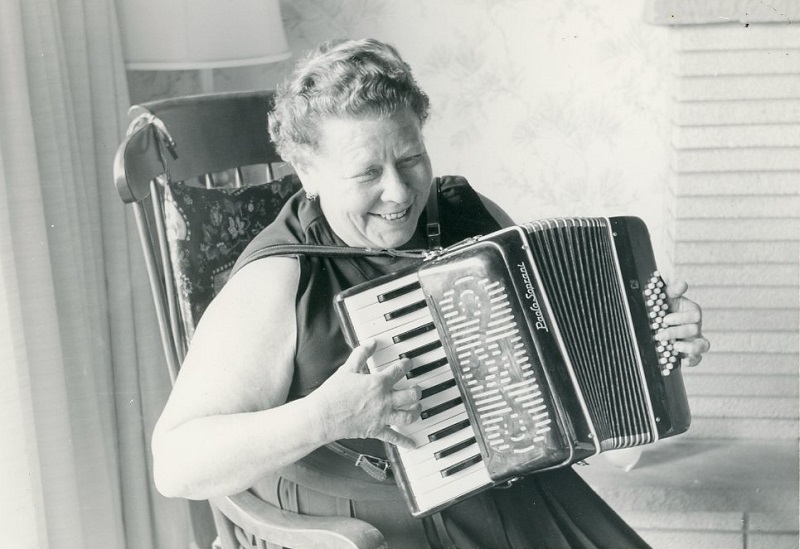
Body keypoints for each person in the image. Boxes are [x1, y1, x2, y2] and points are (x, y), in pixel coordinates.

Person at [152, 38, 710, 548]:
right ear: (307, 173)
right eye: (366, 172)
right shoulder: (278, 279)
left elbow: (549, 356)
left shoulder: (469, 216)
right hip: (371, 517)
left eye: (411, 158)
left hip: (506, 483)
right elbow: (176, 465)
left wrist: (642, 337)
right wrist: (325, 418)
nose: (398, 193)